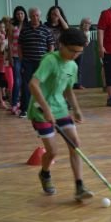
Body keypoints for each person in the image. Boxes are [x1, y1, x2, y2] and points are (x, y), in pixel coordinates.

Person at [27, 27, 94, 201]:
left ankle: (79, 186)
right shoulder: (50, 60)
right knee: (52, 152)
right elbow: (33, 84)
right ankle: (45, 173)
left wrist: (76, 109)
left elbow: (68, 89)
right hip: (40, 110)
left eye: (79, 52)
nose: (74, 55)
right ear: (61, 45)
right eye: (72, 50)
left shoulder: (72, 65)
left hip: (60, 109)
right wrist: (46, 109)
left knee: (75, 144)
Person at [18, 7, 54, 118]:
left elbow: (51, 46)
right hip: (27, 62)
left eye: (37, 15)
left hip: (42, 63)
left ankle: (41, 107)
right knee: (26, 86)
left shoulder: (46, 29)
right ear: (29, 16)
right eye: (33, 16)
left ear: (40, 16)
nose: (35, 17)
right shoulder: (24, 30)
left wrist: (48, 59)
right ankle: (24, 109)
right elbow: (19, 46)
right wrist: (21, 59)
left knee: (41, 86)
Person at [8, 6, 28, 114]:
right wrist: (10, 57)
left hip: (27, 57)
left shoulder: (28, 26)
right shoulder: (12, 26)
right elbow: (10, 43)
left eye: (22, 13)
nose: (20, 15)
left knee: (26, 81)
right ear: (15, 15)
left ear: (25, 14)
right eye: (18, 14)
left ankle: (25, 103)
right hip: (16, 57)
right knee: (17, 81)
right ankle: (14, 104)